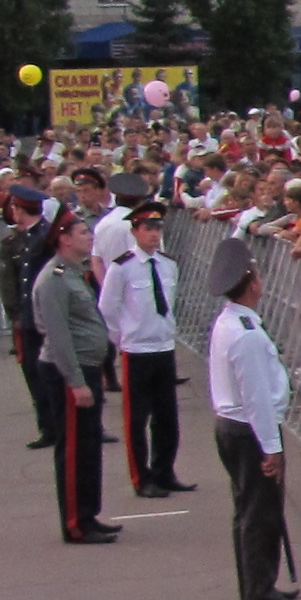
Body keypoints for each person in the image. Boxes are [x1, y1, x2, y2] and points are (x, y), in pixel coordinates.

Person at [203, 239, 300, 600]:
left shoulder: (232, 322)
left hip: (236, 426)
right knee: (260, 513)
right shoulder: (246, 333)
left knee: (249, 509)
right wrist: (272, 447)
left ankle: (257, 584)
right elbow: (257, 397)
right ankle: (260, 588)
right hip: (249, 430)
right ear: (253, 284)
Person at [29, 207, 117, 545]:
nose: (89, 237)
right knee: (73, 448)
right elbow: (58, 335)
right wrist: (76, 381)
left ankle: (88, 513)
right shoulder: (53, 279)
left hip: (87, 368)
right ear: (64, 239)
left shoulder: (71, 273)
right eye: (83, 233)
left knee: (89, 444)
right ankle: (74, 522)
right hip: (68, 372)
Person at [97, 202, 192, 498]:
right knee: (137, 418)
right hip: (136, 349)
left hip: (163, 345)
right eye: (147, 228)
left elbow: (169, 302)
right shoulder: (122, 267)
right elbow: (107, 307)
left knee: (167, 416)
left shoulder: (168, 264)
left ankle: (165, 471)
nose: (154, 234)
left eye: (157, 228)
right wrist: (122, 337)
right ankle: (142, 477)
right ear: (135, 231)